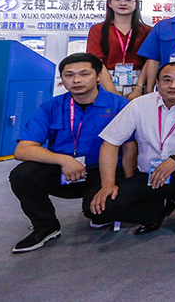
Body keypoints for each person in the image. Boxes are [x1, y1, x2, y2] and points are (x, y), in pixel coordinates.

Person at [9, 53, 132, 253]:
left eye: (84, 74)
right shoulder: (50, 107)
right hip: (65, 171)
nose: (76, 80)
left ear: (98, 76)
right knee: (22, 174)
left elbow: (129, 148)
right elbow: (23, 149)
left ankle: (101, 212)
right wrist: (64, 160)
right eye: (69, 75)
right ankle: (46, 226)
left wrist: (129, 184)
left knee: (101, 212)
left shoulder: (119, 105)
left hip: (103, 172)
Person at [90, 62, 175, 243]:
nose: (173, 85)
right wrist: (108, 184)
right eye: (167, 80)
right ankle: (158, 208)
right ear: (157, 82)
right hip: (149, 174)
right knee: (101, 209)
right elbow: (110, 142)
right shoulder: (139, 104)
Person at [87, 0, 152, 97]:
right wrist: (111, 90)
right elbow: (96, 61)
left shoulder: (147, 30)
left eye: (128, 0)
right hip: (106, 80)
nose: (123, 3)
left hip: (138, 81)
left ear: (136, 4)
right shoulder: (98, 29)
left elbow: (150, 61)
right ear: (109, 3)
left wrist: (138, 88)